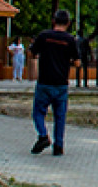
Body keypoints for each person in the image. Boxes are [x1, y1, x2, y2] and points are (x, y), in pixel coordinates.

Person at [28, 10, 80, 156]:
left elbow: (32, 53)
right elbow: (77, 62)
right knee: (60, 116)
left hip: (44, 82)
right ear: (68, 23)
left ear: (53, 21)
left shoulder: (44, 36)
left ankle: (43, 135)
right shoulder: (70, 40)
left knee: (38, 113)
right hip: (61, 84)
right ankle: (58, 146)